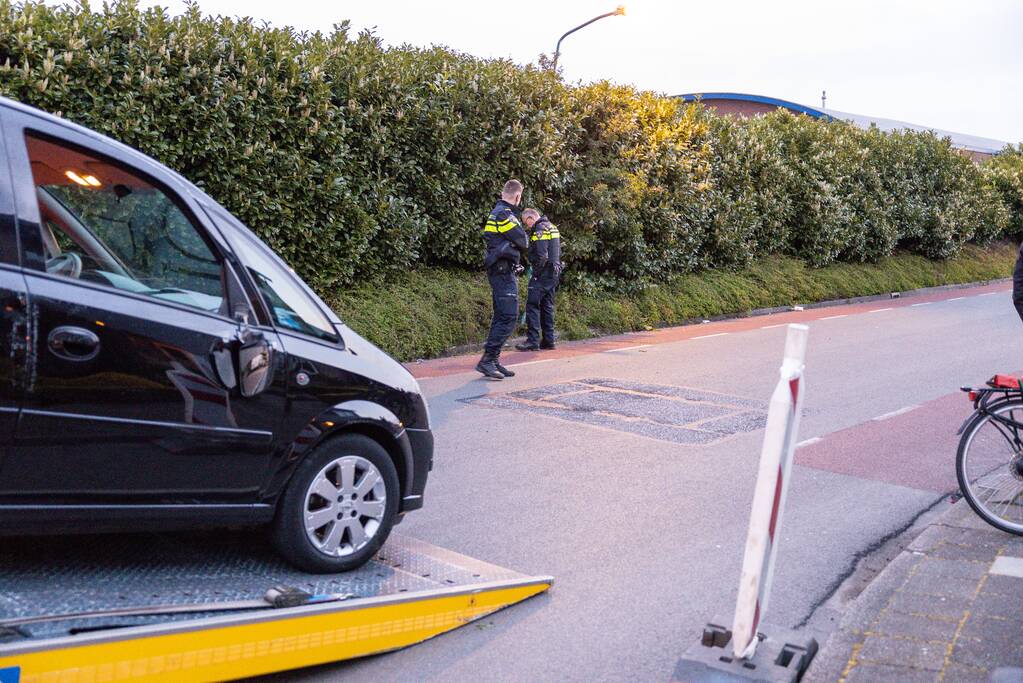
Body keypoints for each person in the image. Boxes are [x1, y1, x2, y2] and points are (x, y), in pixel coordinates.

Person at [477, 179, 529, 379]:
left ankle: (493, 359)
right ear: (517, 196)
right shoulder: (504, 214)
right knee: (508, 316)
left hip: (501, 270)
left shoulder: (498, 212)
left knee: (501, 315)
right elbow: (523, 241)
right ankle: (487, 360)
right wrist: (515, 245)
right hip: (502, 270)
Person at [515, 209, 561, 351]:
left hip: (543, 273)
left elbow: (542, 256)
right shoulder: (552, 227)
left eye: (526, 223)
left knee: (532, 306)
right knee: (547, 306)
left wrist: (536, 273)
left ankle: (532, 341)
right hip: (554, 272)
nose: (527, 226)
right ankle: (549, 340)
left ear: (530, 218)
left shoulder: (540, 229)